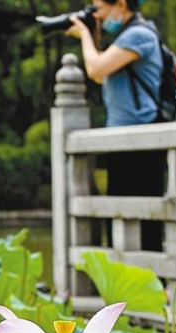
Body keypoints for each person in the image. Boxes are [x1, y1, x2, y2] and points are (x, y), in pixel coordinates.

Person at [65, 0, 166, 252]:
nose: (96, 13)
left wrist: (85, 35)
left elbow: (96, 70)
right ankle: (127, 286)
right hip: (122, 140)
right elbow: (103, 70)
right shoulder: (126, 36)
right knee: (119, 216)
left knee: (145, 219)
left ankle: (154, 287)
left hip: (142, 140)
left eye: (98, 7)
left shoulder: (139, 34)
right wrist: (93, 33)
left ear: (120, 4)